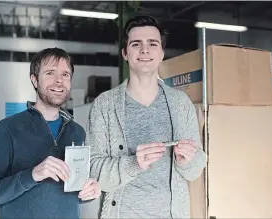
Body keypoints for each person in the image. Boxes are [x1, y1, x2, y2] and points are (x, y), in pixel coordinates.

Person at [86, 15, 207, 219]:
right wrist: (134, 163)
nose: (145, 50)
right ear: (125, 53)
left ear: (162, 53)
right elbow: (93, 170)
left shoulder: (181, 104)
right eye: (136, 44)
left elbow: (195, 170)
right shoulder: (104, 105)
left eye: (153, 43)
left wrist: (185, 160)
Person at [0, 48, 102, 219]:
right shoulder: (9, 128)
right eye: (50, 73)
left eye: (65, 74)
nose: (59, 81)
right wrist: (33, 174)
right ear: (34, 80)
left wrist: (89, 192)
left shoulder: (77, 132)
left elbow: (71, 193)